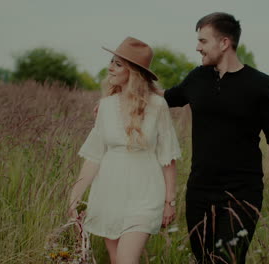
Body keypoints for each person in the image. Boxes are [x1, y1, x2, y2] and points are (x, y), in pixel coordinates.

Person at [160, 12, 269, 263]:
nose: (197, 47)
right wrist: (114, 100)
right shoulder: (197, 78)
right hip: (199, 191)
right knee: (204, 259)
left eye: (203, 41)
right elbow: (161, 100)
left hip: (242, 193)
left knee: (226, 260)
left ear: (224, 43)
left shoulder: (259, 84)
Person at [68, 37, 181, 264]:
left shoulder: (157, 106)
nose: (110, 67)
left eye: (118, 64)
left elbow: (167, 158)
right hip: (109, 193)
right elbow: (94, 156)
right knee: (116, 259)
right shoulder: (105, 106)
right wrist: (75, 194)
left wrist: (170, 202)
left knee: (126, 260)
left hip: (146, 194)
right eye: (112, 62)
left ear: (134, 71)